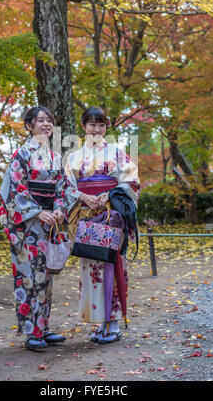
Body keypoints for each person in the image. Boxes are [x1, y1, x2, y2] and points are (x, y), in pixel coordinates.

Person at [64, 106, 140, 344]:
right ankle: (99, 324)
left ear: (106, 127)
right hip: (86, 217)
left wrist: (110, 195)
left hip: (111, 217)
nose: (96, 129)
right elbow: (65, 186)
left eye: (101, 125)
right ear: (84, 126)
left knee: (114, 266)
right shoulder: (74, 157)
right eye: (91, 124)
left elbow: (133, 181)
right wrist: (82, 196)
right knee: (91, 269)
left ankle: (114, 325)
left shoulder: (117, 153)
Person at [0, 106, 66, 351]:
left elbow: (61, 189)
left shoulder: (56, 157)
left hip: (48, 222)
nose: (46, 125)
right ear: (29, 126)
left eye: (49, 120)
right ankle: (31, 332)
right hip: (27, 225)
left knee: (45, 276)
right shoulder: (22, 154)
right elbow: (15, 189)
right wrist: (38, 211)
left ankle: (43, 328)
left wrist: (58, 208)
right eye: (40, 121)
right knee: (29, 276)